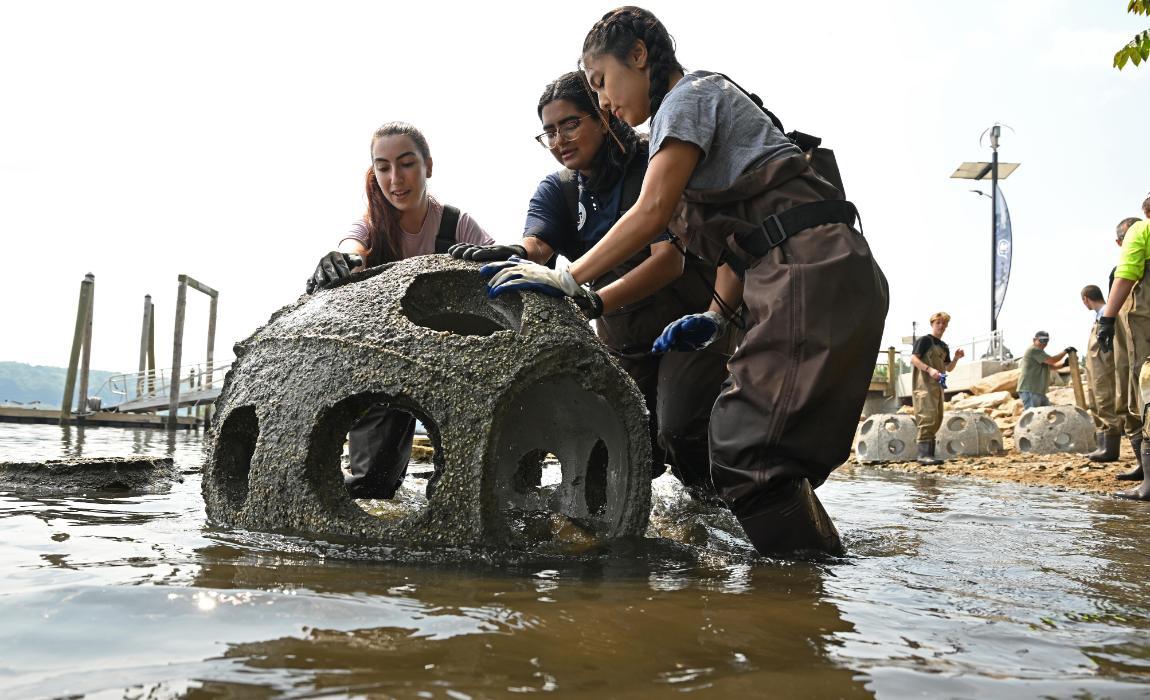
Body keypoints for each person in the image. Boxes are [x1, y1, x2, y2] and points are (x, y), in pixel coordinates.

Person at [480, 6, 889, 557]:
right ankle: (812, 582)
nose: (604, 100)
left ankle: (796, 599)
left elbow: (652, 212)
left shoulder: (686, 99)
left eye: (602, 82)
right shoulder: (687, 118)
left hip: (808, 267)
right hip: (795, 274)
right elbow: (738, 239)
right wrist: (718, 315)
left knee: (748, 455)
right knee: (755, 456)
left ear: (640, 56)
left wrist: (573, 280)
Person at [450, 72, 731, 500]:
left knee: (680, 431)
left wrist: (594, 302)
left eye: (570, 124)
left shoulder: (650, 164)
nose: (559, 139)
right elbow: (539, 245)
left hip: (687, 332)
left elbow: (669, 261)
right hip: (625, 343)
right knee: (612, 454)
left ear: (603, 116)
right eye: (548, 132)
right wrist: (511, 254)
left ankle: (722, 530)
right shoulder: (559, 189)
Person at [307, 121, 494, 499]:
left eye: (406, 164)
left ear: (428, 165)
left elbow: (497, 267)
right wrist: (341, 260)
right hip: (385, 373)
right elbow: (352, 249)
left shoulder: (458, 225)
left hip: (451, 366)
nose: (396, 179)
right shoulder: (370, 226)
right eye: (383, 167)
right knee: (374, 487)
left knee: (466, 486)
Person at [1097, 200, 1150, 500]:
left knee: (1144, 390)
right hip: (1131, 329)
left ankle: (1148, 482)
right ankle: (1143, 467)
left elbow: (1128, 272)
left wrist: (1105, 319)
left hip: (1142, 323)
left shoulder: (1142, 231)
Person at [909, 312, 964, 465]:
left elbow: (948, 368)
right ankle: (923, 455)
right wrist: (929, 369)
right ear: (932, 324)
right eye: (938, 323)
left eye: (944, 323)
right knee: (926, 416)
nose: (941, 326)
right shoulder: (924, 340)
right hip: (924, 385)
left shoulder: (943, 346)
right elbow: (914, 358)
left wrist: (956, 358)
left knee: (937, 418)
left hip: (937, 387)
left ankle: (930, 455)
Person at [1081, 285, 1122, 462]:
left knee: (1105, 402)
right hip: (1094, 368)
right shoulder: (1099, 317)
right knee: (1095, 403)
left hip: (1104, 368)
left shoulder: (1108, 314)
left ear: (1086, 299)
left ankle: (1110, 450)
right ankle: (1102, 447)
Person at [1016, 331, 1072, 409]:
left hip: (1038, 391)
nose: (1044, 343)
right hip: (1030, 390)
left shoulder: (1040, 353)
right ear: (1034, 340)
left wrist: (1064, 364)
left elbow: (1052, 366)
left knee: (1046, 415)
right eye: (1041, 340)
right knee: (1033, 417)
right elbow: (1052, 360)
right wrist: (1065, 351)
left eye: (1046, 340)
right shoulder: (1034, 350)